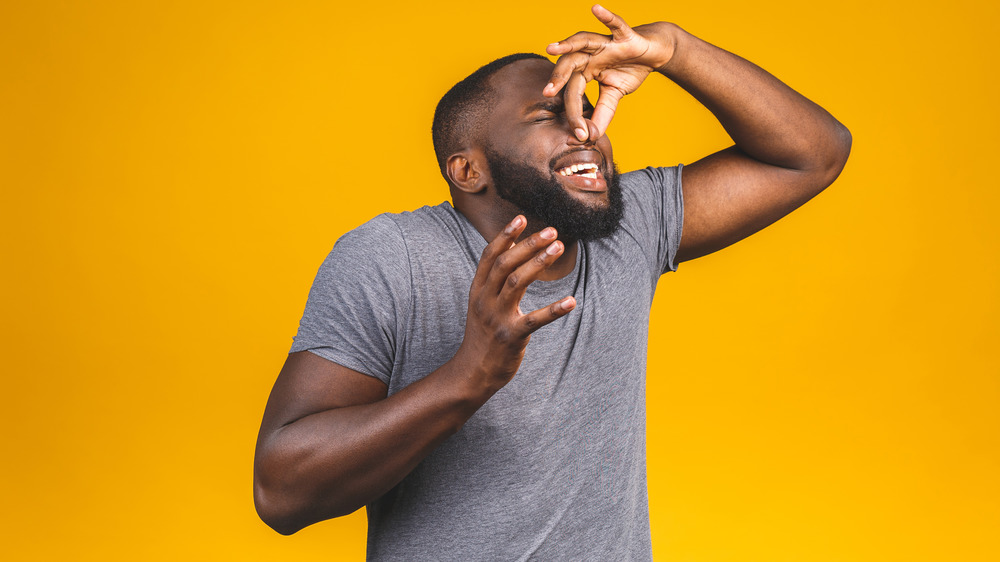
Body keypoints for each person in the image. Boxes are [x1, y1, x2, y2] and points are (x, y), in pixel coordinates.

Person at [253, 5, 851, 560]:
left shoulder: (627, 226)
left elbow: (815, 153)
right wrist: (469, 376)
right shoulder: (392, 258)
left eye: (587, 110)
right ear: (468, 170)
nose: (587, 130)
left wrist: (673, 50)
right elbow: (281, 492)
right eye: (549, 116)